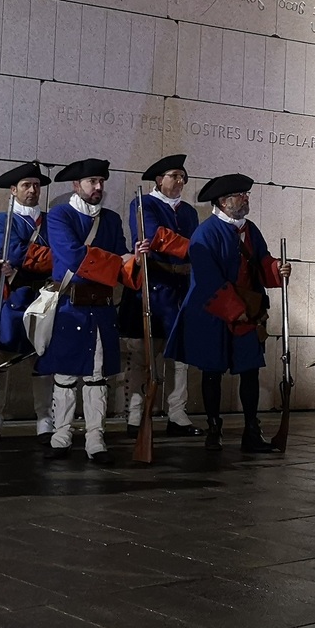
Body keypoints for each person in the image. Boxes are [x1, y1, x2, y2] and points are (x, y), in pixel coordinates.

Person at [164, 174, 289, 452]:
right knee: (212, 372)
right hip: (215, 312)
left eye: (246, 194)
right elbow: (209, 281)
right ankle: (213, 427)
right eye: (240, 195)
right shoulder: (205, 233)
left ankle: (251, 432)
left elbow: (261, 261)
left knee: (250, 371)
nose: (246, 199)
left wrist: (275, 269)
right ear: (223, 201)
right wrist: (237, 310)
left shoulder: (250, 230)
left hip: (247, 311)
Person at [37, 159, 143, 464]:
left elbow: (122, 257)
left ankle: (95, 437)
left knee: (97, 375)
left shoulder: (109, 219)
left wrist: (135, 259)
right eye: (92, 181)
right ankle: (61, 435)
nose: (98, 187)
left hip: (102, 308)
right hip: (71, 305)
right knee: (66, 374)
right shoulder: (59, 216)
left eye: (101, 181)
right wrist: (118, 261)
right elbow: (73, 256)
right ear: (76, 185)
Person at [124, 154, 201, 438]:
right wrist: (196, 248)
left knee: (180, 357)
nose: (179, 181)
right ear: (159, 179)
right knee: (144, 356)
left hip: (181, 288)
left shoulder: (189, 212)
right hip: (154, 286)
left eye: (182, 177)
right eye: (174, 176)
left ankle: (177, 413)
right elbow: (156, 236)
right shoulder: (143, 204)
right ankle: (136, 414)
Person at [0, 162, 54, 441]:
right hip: (14, 297)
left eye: (36, 185)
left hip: (45, 299)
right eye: (26, 185)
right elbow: (15, 253)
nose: (32, 190)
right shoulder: (2, 221)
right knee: (0, 358)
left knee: (43, 360)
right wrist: (50, 257)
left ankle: (45, 418)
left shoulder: (50, 220)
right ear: (13, 190)